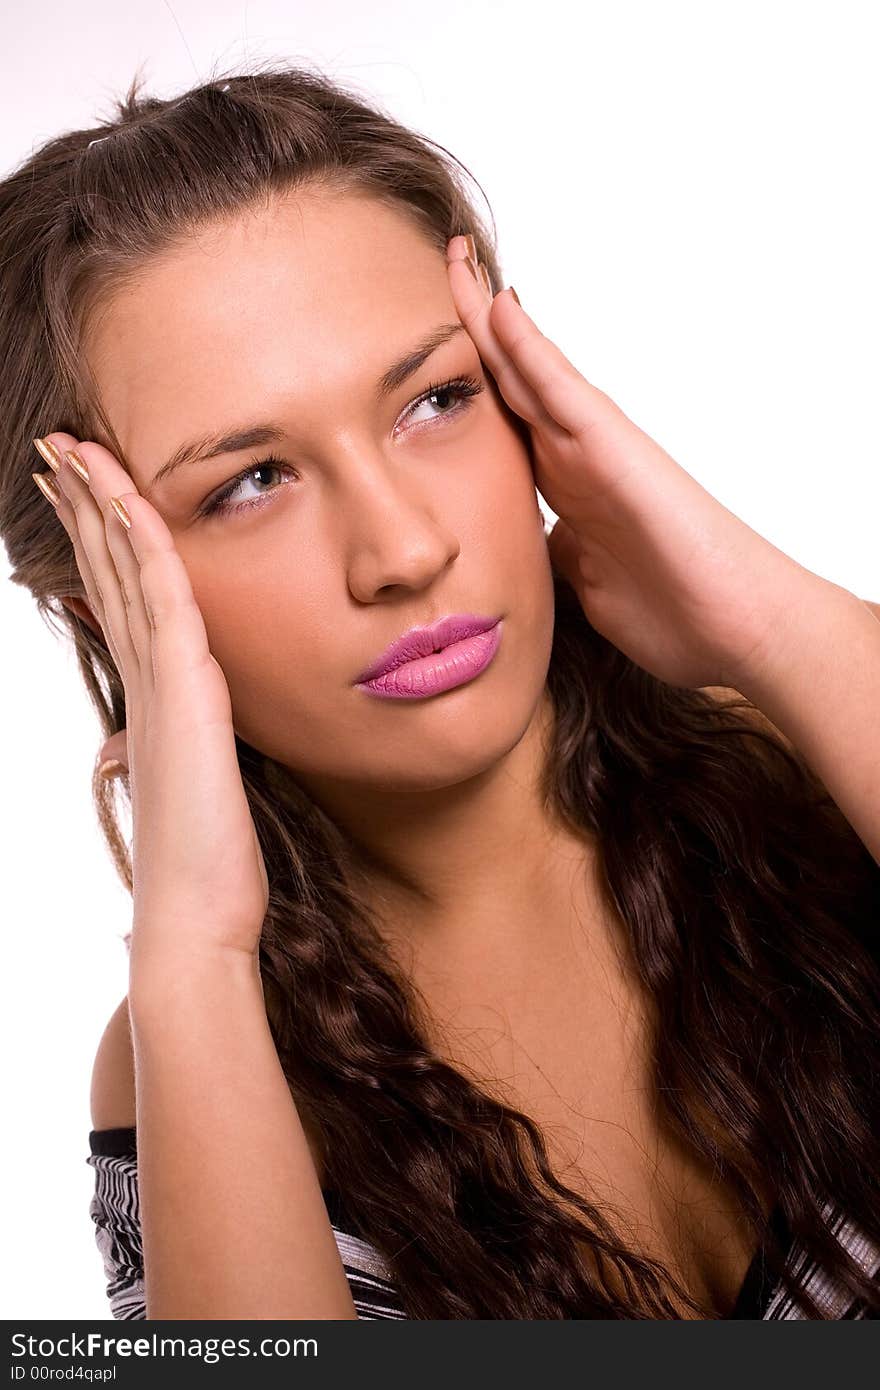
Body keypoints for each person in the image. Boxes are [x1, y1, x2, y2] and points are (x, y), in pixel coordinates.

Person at [2, 60, 880, 1321]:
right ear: (108, 605)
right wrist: (190, 956)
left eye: (434, 399)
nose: (405, 550)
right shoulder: (191, 1056)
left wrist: (776, 625)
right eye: (251, 481)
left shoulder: (822, 745)